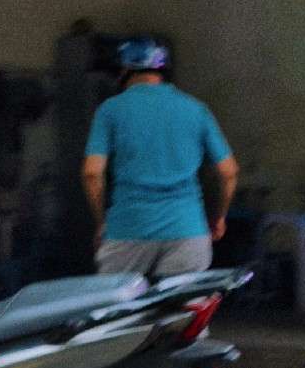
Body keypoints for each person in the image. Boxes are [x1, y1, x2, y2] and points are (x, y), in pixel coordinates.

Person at [81, 36, 238, 278]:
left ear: (125, 70)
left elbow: (91, 173)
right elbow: (229, 172)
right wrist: (219, 217)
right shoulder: (196, 109)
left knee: (118, 312)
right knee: (179, 311)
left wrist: (102, 222)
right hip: (187, 229)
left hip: (128, 228)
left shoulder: (110, 110)